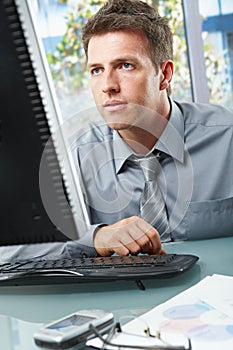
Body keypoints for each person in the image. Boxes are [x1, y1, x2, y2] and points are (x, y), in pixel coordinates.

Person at [1, 0, 232, 263]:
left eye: (125, 66)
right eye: (97, 70)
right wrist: (94, 238)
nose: (108, 86)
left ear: (165, 74)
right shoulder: (72, 159)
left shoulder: (228, 139)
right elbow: (9, 250)